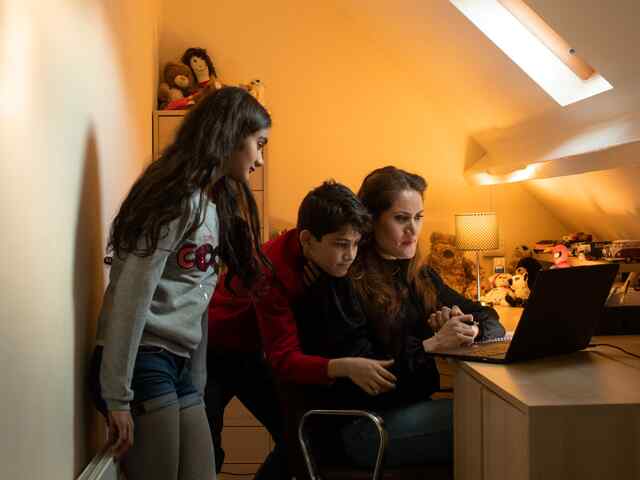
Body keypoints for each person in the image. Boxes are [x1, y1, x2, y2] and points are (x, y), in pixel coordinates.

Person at [88, 86, 271, 480]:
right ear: (231, 134)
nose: (259, 158)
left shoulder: (211, 205)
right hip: (142, 360)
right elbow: (130, 295)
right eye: (258, 143)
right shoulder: (172, 199)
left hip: (178, 364)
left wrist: (200, 380)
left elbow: (197, 300)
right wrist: (117, 395)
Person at [205, 181, 395, 478]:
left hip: (252, 347)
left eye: (355, 243)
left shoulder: (318, 255)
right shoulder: (270, 273)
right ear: (307, 240)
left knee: (300, 439)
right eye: (341, 245)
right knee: (207, 451)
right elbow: (283, 359)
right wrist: (344, 367)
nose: (351, 254)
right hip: (213, 350)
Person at [336, 165, 505, 467]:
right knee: (494, 417)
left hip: (410, 411)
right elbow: (373, 377)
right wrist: (434, 344)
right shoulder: (348, 278)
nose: (413, 230)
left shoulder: (420, 274)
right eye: (401, 219)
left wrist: (469, 330)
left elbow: (487, 314)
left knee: (493, 411)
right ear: (371, 221)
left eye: (418, 217)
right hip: (367, 424)